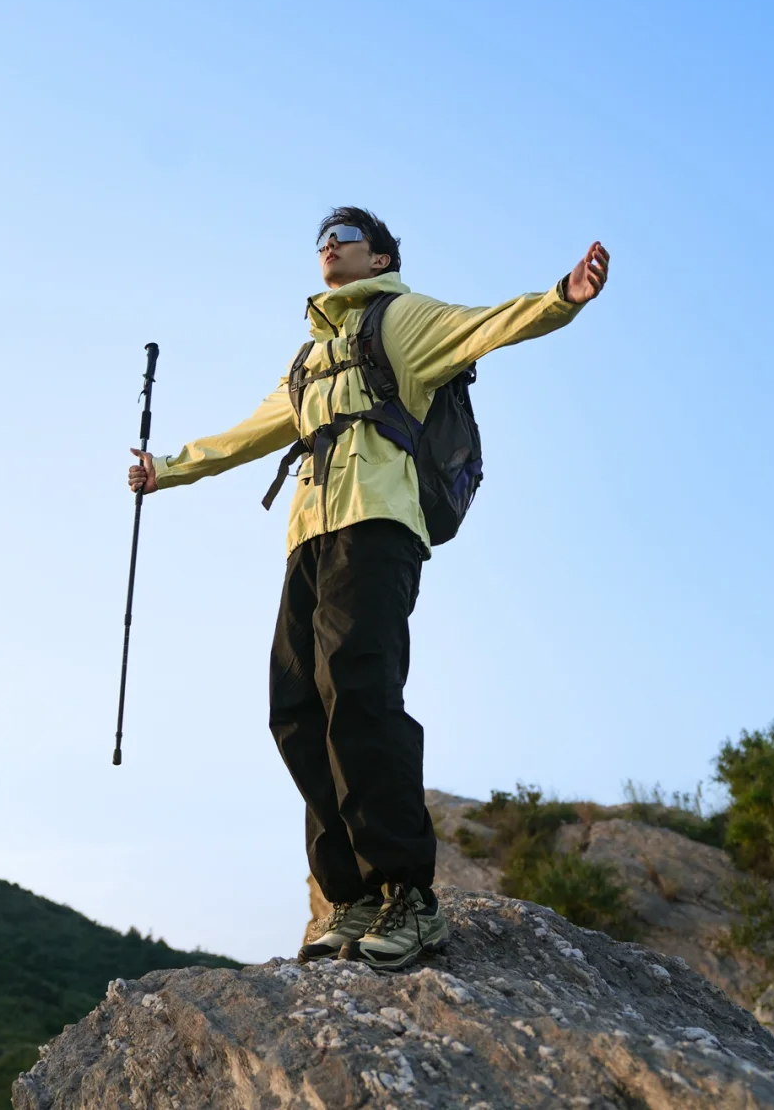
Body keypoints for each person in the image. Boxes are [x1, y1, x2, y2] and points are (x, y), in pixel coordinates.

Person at [128, 208, 609, 971]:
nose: (329, 246)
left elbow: (486, 326)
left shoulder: (402, 319)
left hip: (378, 524)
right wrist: (168, 469)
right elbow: (249, 432)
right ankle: (349, 894)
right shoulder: (308, 360)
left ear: (380, 257)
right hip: (309, 536)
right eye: (322, 239)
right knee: (296, 707)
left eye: (345, 237)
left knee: (358, 689)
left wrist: (562, 296)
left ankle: (408, 896)